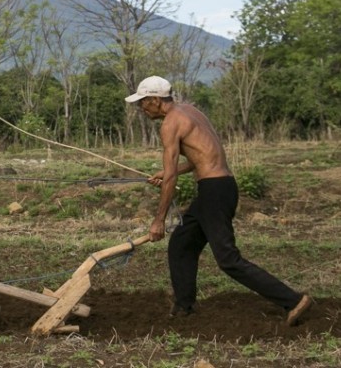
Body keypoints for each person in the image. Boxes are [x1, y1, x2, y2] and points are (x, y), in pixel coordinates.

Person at [126, 75, 312, 325]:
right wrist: (168, 172)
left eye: (142, 102)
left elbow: (170, 180)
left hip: (214, 191)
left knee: (228, 260)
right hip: (219, 188)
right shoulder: (190, 111)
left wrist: (158, 220)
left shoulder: (170, 124)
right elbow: (201, 156)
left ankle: (293, 300)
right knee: (181, 244)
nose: (141, 108)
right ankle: (184, 308)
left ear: (155, 100)